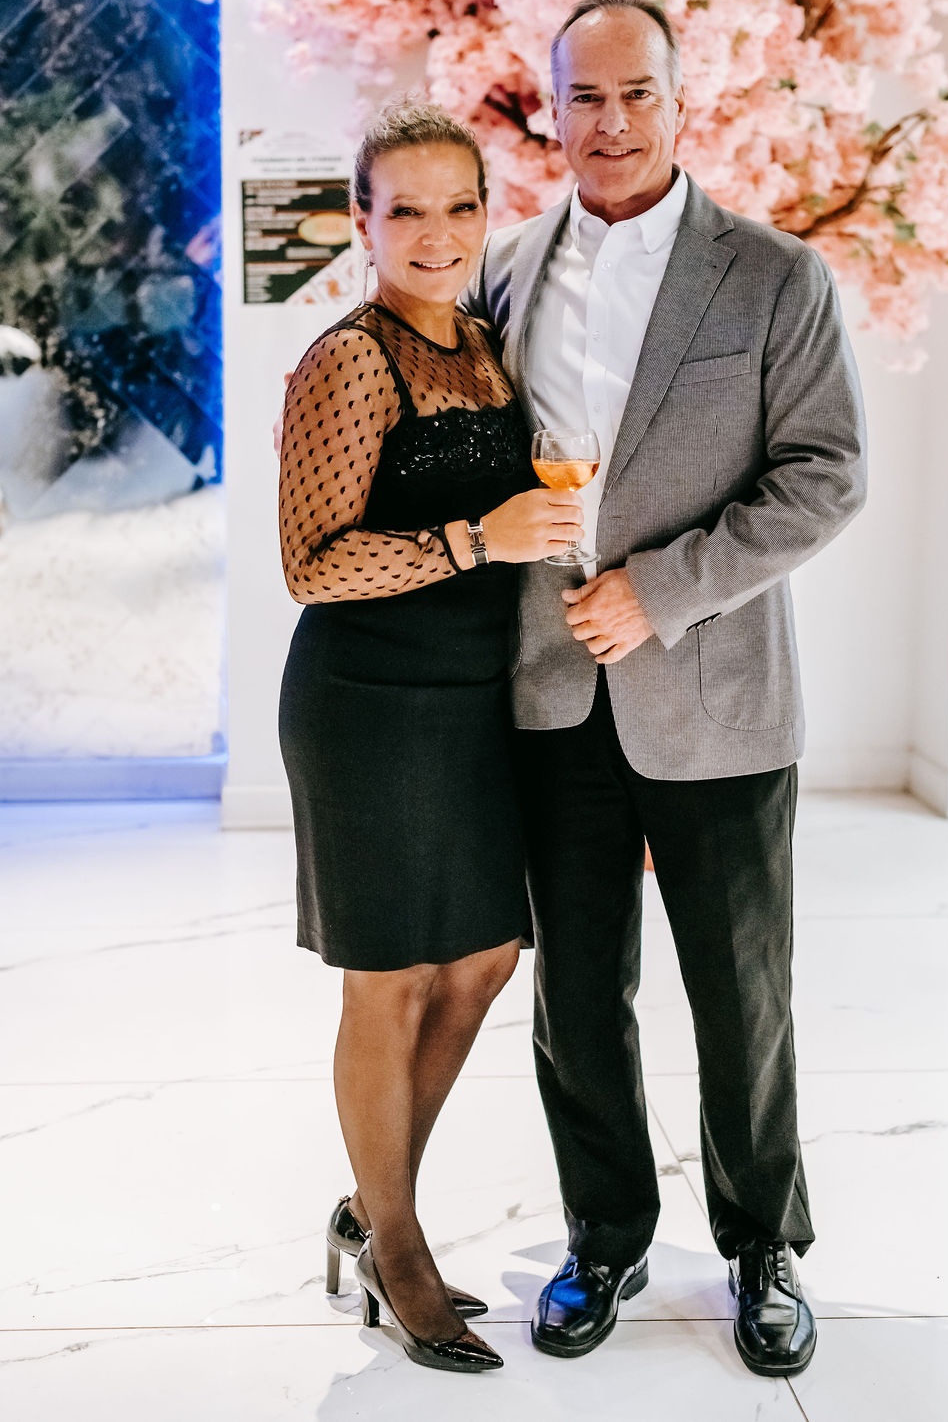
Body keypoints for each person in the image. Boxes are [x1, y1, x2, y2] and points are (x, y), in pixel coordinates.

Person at [464, 0, 867, 1377]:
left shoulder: (774, 277)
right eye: (585, 95)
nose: (612, 120)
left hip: (719, 694)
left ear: (684, 103)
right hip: (548, 693)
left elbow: (826, 475)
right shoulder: (502, 272)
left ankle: (763, 1245)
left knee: (742, 994)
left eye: (638, 92)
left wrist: (667, 588)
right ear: (551, 110)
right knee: (577, 994)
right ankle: (604, 1234)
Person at [277, 101, 584, 1375]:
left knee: (486, 958)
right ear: (363, 221)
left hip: (472, 700)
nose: (436, 232)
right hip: (366, 701)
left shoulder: (486, 345)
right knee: (390, 976)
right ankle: (395, 1242)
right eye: (404, 208)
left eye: (460, 205)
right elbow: (310, 565)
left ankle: (369, 1200)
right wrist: (474, 539)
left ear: (487, 212)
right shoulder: (350, 359)